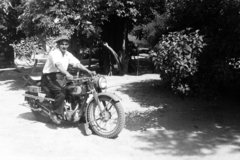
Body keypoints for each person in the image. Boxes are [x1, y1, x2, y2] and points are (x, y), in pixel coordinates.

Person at [42, 35, 95, 124]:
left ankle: (79, 113)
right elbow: (58, 65)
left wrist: (88, 71)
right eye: (62, 44)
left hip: (61, 77)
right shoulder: (54, 53)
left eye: (66, 44)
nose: (64, 46)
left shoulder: (67, 54)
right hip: (49, 77)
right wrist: (67, 74)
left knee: (76, 89)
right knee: (61, 92)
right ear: (58, 45)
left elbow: (77, 64)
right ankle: (55, 113)